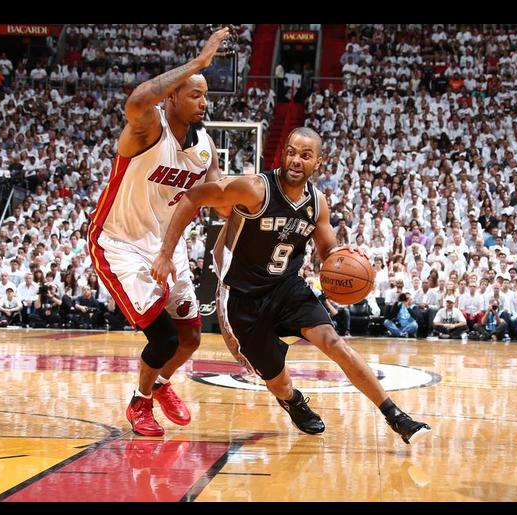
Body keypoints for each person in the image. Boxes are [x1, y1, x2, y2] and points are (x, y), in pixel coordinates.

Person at [152, 127, 430, 445]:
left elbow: (328, 252)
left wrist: (345, 254)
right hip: (242, 298)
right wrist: (165, 253)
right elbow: (193, 197)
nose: (296, 160)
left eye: (305, 155)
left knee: (334, 343)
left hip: (287, 287)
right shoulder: (254, 189)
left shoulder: (317, 203)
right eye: (291, 152)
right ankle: (292, 400)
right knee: (278, 380)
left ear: (318, 162)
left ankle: (397, 417)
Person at [87, 27, 231, 437]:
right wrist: (200, 62)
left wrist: (253, 199)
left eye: (205, 95)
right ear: (171, 98)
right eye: (194, 93)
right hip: (120, 243)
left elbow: (217, 200)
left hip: (167, 246)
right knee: (164, 340)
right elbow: (135, 100)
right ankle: (140, 402)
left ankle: (163, 383)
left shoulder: (206, 149)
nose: (203, 102)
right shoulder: (148, 128)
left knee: (190, 340)